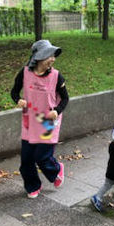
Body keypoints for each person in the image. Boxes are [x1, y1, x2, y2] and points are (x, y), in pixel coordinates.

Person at [11, 39, 69, 198]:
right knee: (26, 160)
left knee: (42, 157)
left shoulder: (57, 76)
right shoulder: (24, 73)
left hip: (47, 122)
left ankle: (56, 170)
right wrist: (18, 100)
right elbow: (14, 91)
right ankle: (33, 185)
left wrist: (57, 111)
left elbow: (65, 99)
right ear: (38, 58)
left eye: (53, 56)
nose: (53, 59)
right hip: (29, 122)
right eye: (49, 56)